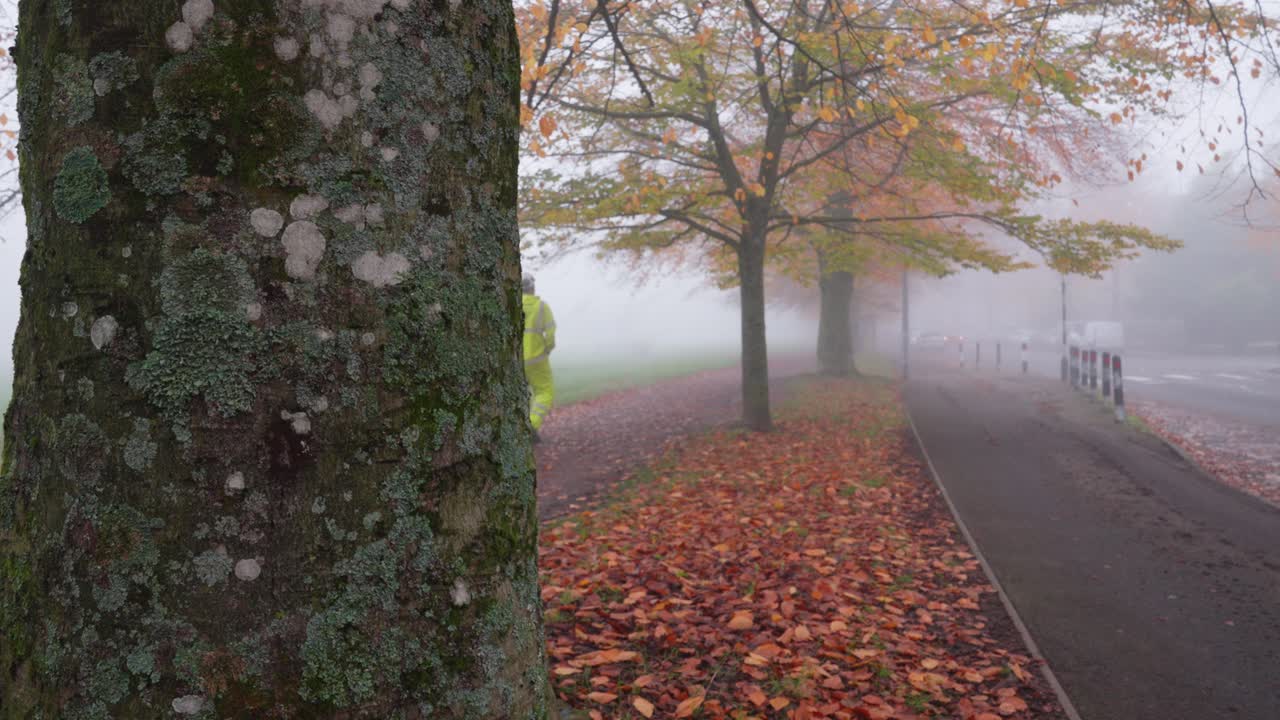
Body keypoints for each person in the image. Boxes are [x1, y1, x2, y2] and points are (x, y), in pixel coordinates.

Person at [522, 273, 556, 440]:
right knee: (544, 392)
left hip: (515, 361)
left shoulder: (511, 306)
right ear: (532, 288)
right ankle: (532, 425)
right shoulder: (541, 307)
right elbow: (550, 335)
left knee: (521, 395)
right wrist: (547, 349)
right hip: (537, 360)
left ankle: (520, 429)